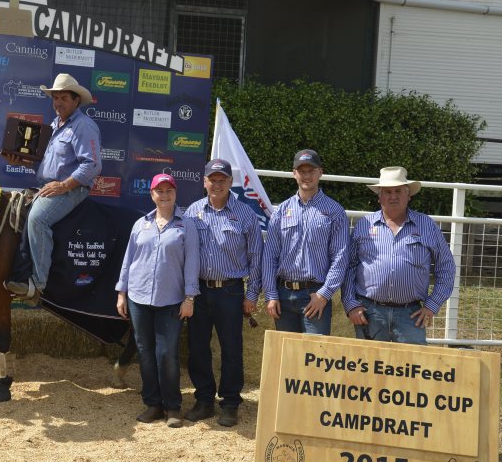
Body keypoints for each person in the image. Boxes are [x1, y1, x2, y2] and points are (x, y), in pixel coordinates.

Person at [5, 73, 102, 299]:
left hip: (72, 189)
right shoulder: (53, 125)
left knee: (38, 219)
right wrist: (22, 161)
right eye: (55, 98)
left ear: (76, 100)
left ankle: (37, 284)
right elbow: (46, 165)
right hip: (49, 187)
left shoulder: (84, 126)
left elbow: (93, 165)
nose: (58, 103)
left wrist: (64, 186)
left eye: (63, 98)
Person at [116, 174, 200, 428]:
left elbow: (192, 263)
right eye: (159, 191)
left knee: (167, 354)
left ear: (175, 193)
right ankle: (152, 404)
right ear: (151, 194)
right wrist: (122, 293)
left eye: (169, 190)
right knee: (145, 352)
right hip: (138, 297)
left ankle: (173, 407)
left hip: (172, 301)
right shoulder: (140, 224)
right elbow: (129, 260)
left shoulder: (187, 225)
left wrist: (189, 298)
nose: (164, 195)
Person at [184, 158, 262, 428]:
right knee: (197, 349)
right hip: (200, 291)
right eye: (212, 179)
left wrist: (252, 295)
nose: (217, 184)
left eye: (222, 180)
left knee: (231, 349)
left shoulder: (246, 214)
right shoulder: (192, 212)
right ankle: (204, 400)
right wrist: (187, 294)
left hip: (231, 292)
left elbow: (256, 259)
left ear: (231, 182)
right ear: (204, 182)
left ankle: (230, 403)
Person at [342, 166, 456, 344]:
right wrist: (351, 304)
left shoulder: (427, 226)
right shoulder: (363, 225)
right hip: (369, 312)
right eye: (387, 191)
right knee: (369, 367)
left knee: (413, 368)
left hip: (410, 315)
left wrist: (432, 305)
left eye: (398, 191)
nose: (393, 196)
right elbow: (348, 266)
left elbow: (446, 267)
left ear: (408, 194)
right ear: (379, 196)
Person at [263, 149, 350, 337]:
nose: (307, 176)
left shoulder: (335, 212)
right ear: (294, 173)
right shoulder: (280, 211)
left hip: (315, 296)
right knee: (287, 358)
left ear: (320, 172)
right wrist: (271, 294)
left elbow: (340, 258)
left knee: (314, 358)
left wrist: (324, 294)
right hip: (283, 295)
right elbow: (270, 255)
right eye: (302, 171)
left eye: (311, 171)